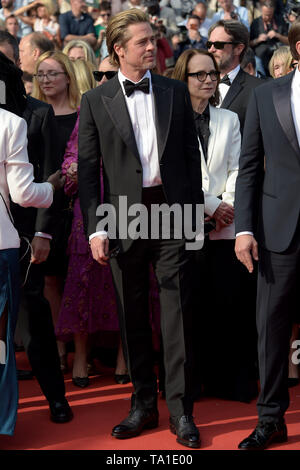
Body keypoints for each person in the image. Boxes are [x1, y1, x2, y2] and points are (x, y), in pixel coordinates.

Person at [78, 8, 204, 448]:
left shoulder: (174, 90)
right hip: (123, 215)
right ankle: (142, 405)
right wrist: (96, 228)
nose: (152, 47)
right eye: (142, 42)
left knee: (177, 315)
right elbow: (90, 170)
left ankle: (182, 411)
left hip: (173, 211)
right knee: (132, 314)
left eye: (153, 39)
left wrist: (193, 216)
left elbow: (191, 156)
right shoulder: (96, 100)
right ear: (119, 50)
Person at [172, 48, 258, 403]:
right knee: (191, 308)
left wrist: (229, 205)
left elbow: (241, 167)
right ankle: (192, 384)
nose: (209, 80)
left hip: (226, 227)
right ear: (184, 79)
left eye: (213, 74)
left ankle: (230, 382)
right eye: (199, 75)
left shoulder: (228, 119)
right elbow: (174, 171)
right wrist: (211, 204)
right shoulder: (170, 121)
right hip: (184, 225)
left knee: (228, 304)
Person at [234, 20, 300, 450]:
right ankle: (271, 417)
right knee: (272, 329)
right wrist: (243, 229)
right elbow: (249, 169)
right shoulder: (265, 94)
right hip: (279, 231)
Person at [0, 40, 74, 423]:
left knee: (35, 314)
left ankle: (55, 397)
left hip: (29, 234)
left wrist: (44, 234)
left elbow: (52, 174)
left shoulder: (37, 113)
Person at [31, 50, 80, 375]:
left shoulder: (82, 112)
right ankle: (59, 349)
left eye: (53, 73)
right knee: (50, 281)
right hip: (43, 208)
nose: (46, 80)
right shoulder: (33, 114)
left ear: (67, 76)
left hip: (77, 207)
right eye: (41, 74)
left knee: (76, 281)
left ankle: (81, 350)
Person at [207, 19, 262, 133]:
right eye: (209, 44)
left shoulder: (257, 89)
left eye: (218, 44)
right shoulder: (195, 84)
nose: (211, 50)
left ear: (238, 49)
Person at [250, 0, 289, 76]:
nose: (267, 17)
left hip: (278, 54)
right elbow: (248, 44)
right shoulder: (256, 23)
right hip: (261, 56)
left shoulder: (280, 21)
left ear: (273, 11)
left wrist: (278, 35)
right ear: (261, 10)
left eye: (270, 15)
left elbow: (289, 41)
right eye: (265, 14)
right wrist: (257, 40)